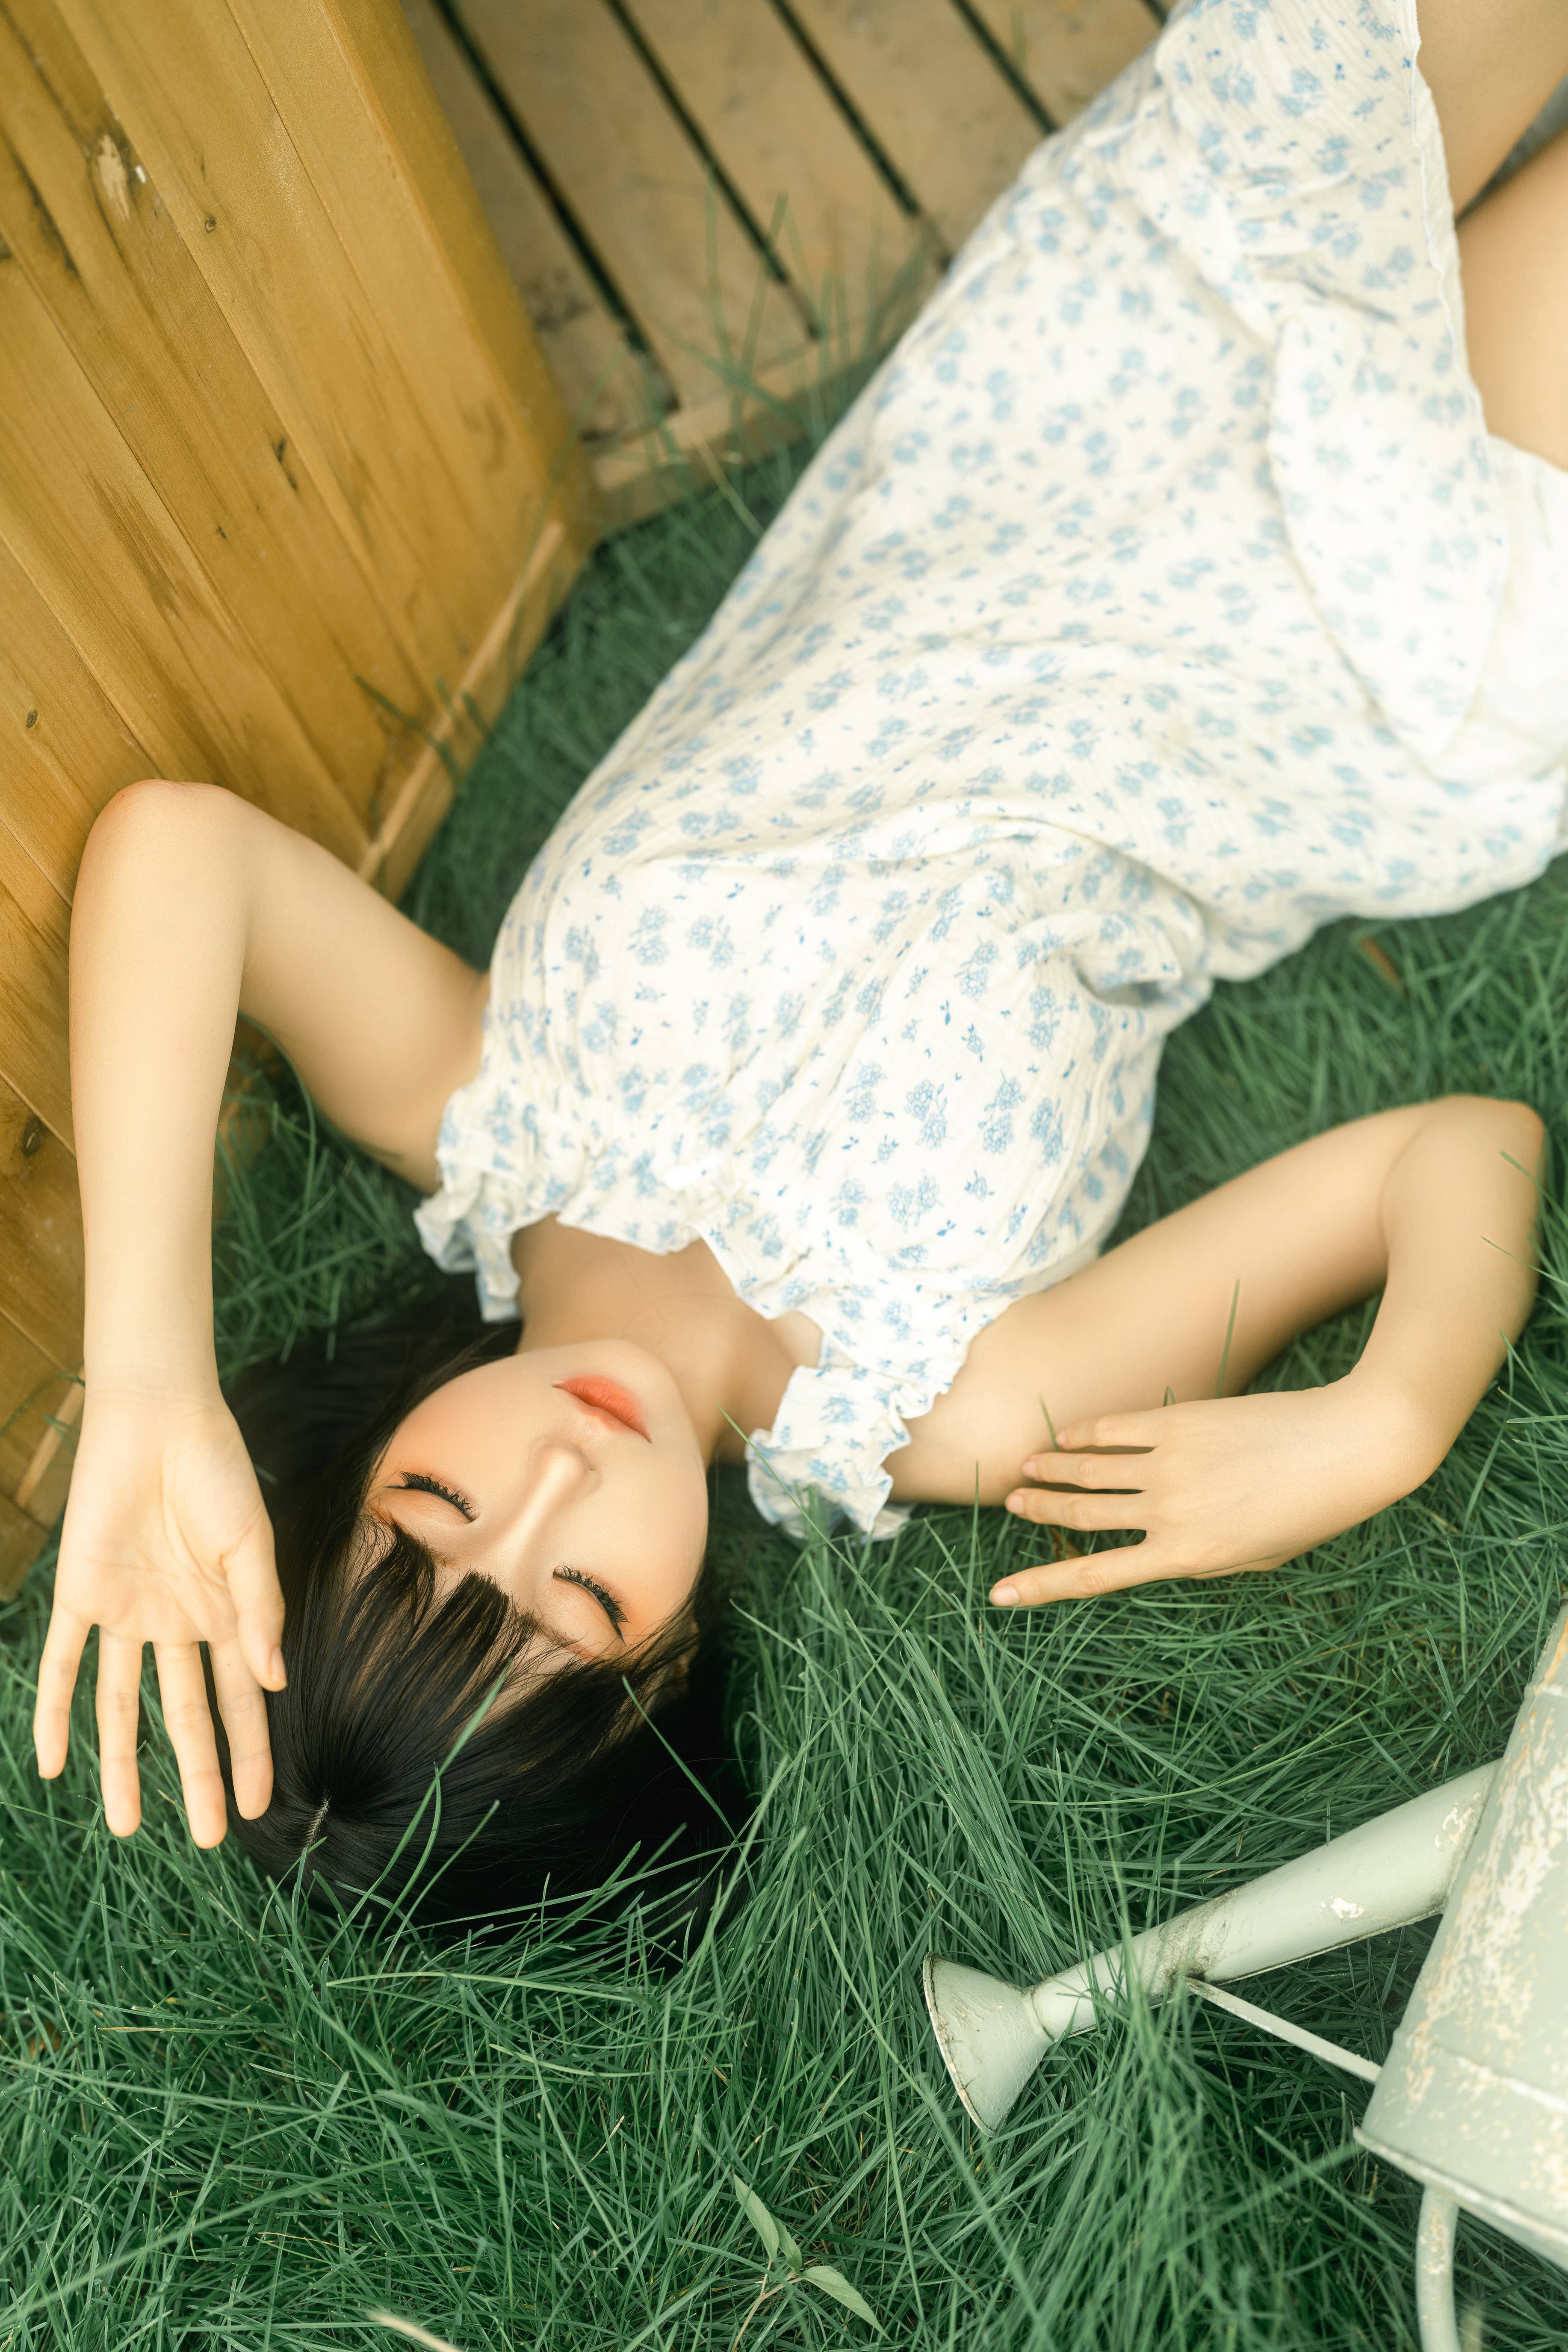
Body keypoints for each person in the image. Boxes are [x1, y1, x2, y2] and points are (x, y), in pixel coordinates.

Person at [32, 0, 1568, 1930]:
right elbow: (1456, 1152)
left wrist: (149, 1379)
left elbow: (178, 851)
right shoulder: (951, 1407)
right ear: (670, 1672)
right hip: (1380, 635)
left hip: (1115, 347)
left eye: (433, 1509)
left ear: (353, 1469)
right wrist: (1381, 1417)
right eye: (576, 1599)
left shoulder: (485, 1100)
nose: (554, 1479)